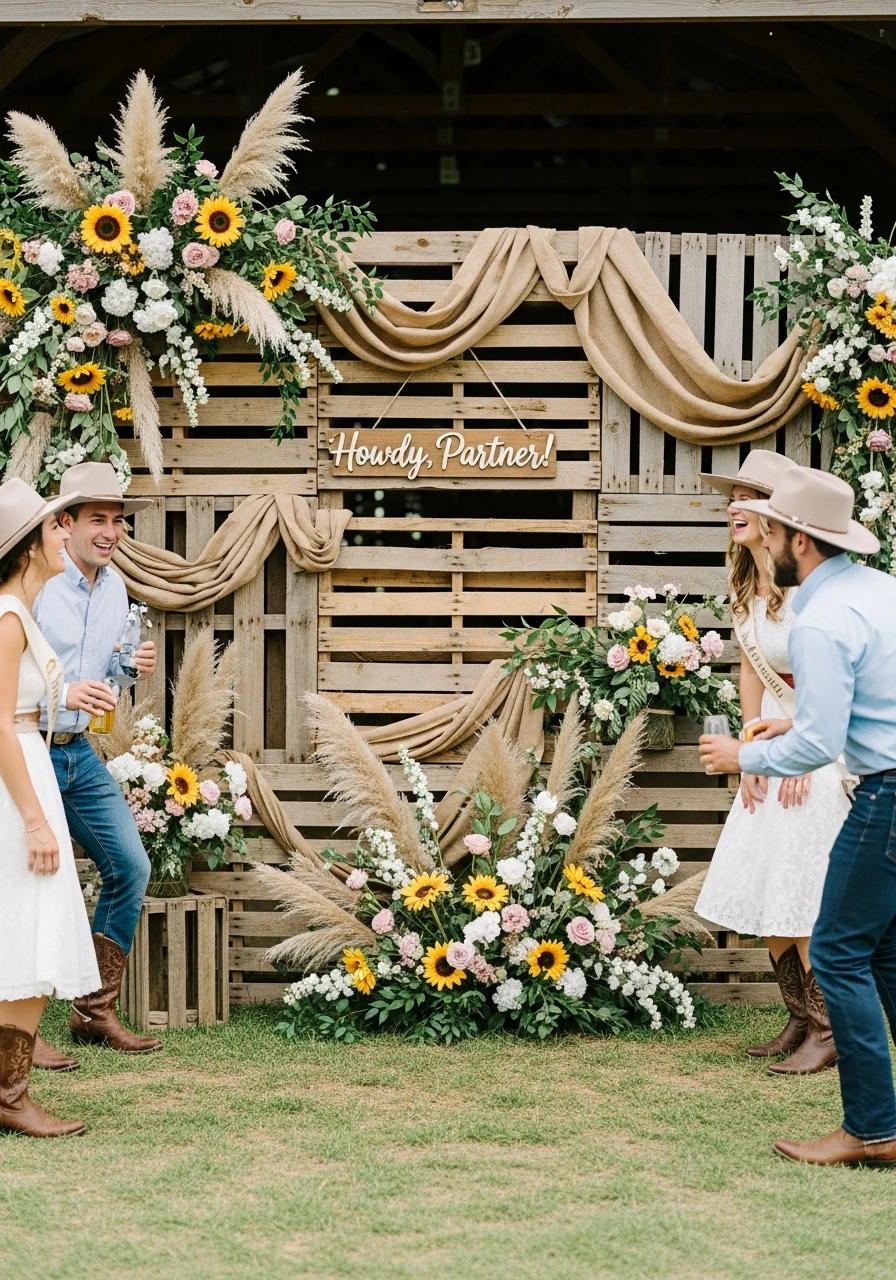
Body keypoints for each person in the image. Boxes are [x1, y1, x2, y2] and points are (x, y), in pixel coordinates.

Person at [699, 466, 896, 1168]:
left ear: (799, 541)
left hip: (884, 797)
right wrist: (786, 731)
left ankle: (872, 1129)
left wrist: (744, 757)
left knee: (840, 952)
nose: (764, 534)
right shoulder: (882, 592)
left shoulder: (819, 618)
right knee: (887, 957)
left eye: (775, 527)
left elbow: (818, 739)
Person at [694, 452, 848, 1074]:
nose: (734, 505)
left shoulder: (806, 585)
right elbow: (747, 669)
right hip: (772, 742)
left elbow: (828, 676)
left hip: (818, 748)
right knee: (765, 876)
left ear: (775, 513)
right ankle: (799, 1016)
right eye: (731, 495)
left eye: (748, 495)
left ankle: (830, 1027)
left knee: (802, 887)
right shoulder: (745, 582)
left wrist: (804, 753)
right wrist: (750, 749)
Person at [32, 461, 162, 1068]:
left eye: (117, 521)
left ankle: (93, 1007)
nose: (110, 531)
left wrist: (125, 667)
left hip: (80, 753)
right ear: (66, 522)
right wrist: (64, 693)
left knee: (130, 865)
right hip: (28, 746)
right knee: (32, 888)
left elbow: (104, 681)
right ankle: (22, 1030)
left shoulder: (116, 589)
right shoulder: (36, 582)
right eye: (97, 519)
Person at [0, 477, 100, 1137]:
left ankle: (8, 1090)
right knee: (30, 928)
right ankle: (11, 1097)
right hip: (17, 786)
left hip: (28, 766)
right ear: (33, 543)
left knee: (25, 931)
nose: (66, 534)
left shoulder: (20, 612)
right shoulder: (7, 617)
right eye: (56, 526)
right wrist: (35, 818)